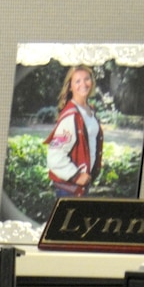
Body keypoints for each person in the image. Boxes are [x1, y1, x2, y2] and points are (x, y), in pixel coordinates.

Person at [45, 64, 104, 198]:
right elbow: (54, 156)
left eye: (86, 79)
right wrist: (76, 176)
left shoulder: (89, 110)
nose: (83, 84)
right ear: (70, 86)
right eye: (77, 81)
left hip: (82, 186)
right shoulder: (71, 115)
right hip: (69, 188)